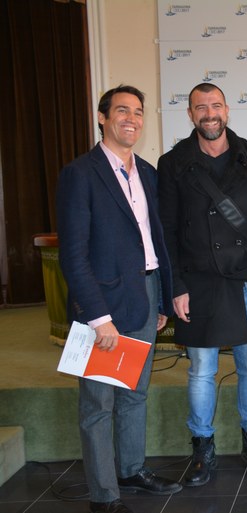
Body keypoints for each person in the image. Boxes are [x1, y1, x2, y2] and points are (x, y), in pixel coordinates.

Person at [57, 85, 182, 513]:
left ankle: (131, 470)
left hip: (146, 292)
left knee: (135, 392)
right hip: (104, 305)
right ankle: (104, 496)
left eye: (138, 112)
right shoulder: (80, 173)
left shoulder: (147, 171)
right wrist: (98, 317)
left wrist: (162, 298)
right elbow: (73, 255)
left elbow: (155, 239)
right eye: (122, 110)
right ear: (102, 117)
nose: (132, 118)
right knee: (99, 403)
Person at [158, 83, 247, 486]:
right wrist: (176, 286)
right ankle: (202, 448)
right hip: (197, 281)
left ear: (227, 110)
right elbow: (167, 231)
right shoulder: (173, 162)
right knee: (201, 371)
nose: (209, 114)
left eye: (215, 106)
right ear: (190, 114)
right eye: (200, 107)